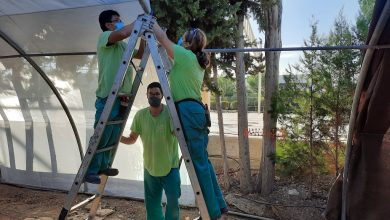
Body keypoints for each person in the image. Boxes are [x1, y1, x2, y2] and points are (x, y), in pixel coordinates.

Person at [152, 23, 228, 219]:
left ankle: (211, 211)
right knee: (203, 161)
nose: (178, 41)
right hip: (194, 110)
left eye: (182, 39)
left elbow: (162, 38)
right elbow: (168, 59)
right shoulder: (190, 60)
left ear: (187, 43)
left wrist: (153, 26)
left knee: (198, 164)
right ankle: (218, 204)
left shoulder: (185, 56)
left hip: (188, 110)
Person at [84, 10, 144, 184]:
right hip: (108, 96)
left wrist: (143, 38)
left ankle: (103, 166)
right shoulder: (105, 37)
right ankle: (90, 169)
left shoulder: (124, 46)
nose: (120, 22)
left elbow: (140, 54)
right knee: (101, 134)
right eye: (116, 20)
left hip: (122, 97)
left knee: (112, 134)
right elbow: (124, 31)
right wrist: (138, 22)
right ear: (108, 25)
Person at [120, 82, 181, 220]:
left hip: (170, 167)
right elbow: (132, 139)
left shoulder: (170, 113)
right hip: (150, 168)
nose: (154, 96)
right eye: (151, 94)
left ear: (162, 96)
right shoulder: (140, 115)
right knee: (152, 204)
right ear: (146, 95)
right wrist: (116, 137)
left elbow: (176, 133)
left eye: (157, 94)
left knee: (173, 202)